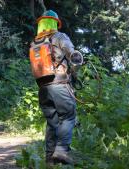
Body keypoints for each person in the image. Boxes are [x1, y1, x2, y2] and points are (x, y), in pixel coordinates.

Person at [29, 10, 83, 165]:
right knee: (68, 116)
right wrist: (75, 69)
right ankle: (61, 150)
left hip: (43, 89)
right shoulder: (60, 37)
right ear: (55, 23)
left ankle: (49, 160)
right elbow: (73, 55)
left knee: (52, 123)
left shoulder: (35, 43)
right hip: (60, 84)